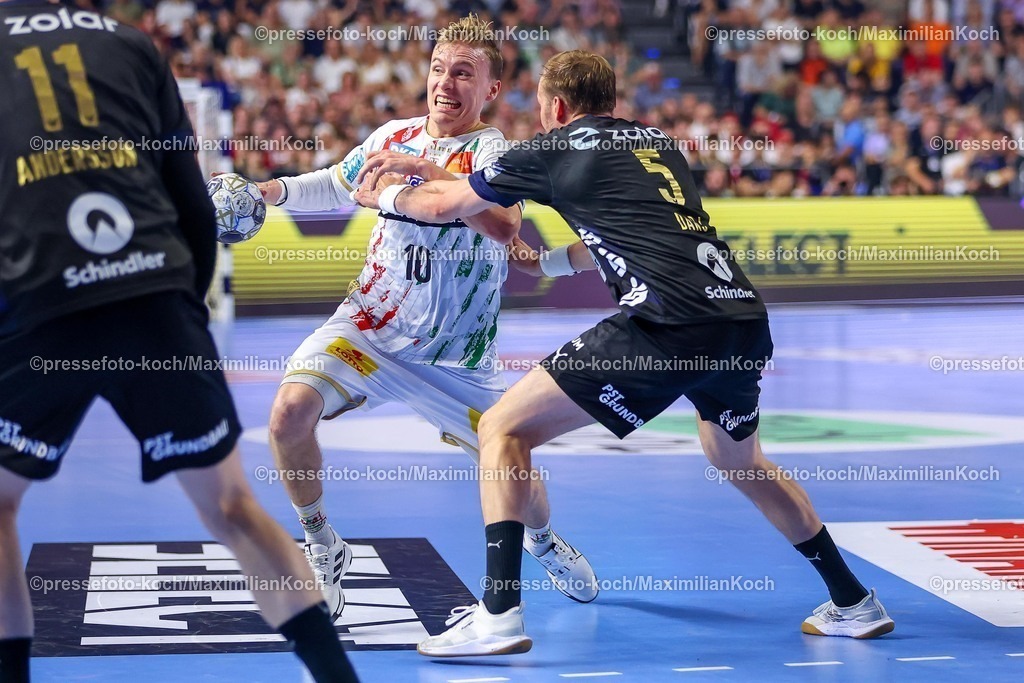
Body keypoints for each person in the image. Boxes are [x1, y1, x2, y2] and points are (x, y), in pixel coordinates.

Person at [354, 49, 895, 657]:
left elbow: (447, 206)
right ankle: (854, 602)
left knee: (503, 429)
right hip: (738, 318)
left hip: (667, 325)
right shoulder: (656, 144)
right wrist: (549, 262)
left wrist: (387, 194)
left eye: (539, 107)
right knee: (739, 460)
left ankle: (499, 615)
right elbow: (634, 232)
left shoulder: (551, 150)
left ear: (555, 106)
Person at [0, 1, 357, 680]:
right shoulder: (130, 44)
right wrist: (183, 315)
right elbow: (191, 198)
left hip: (36, 297)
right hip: (152, 290)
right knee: (231, 506)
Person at [256, 15, 597, 621]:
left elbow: (503, 225)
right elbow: (335, 184)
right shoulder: (394, 133)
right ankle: (321, 542)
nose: (446, 82)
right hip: (369, 332)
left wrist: (429, 178)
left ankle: (544, 542)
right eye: (439, 68)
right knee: (287, 415)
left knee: (514, 466)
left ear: (490, 88)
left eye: (463, 72)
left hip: (457, 360)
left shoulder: (493, 151)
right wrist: (271, 192)